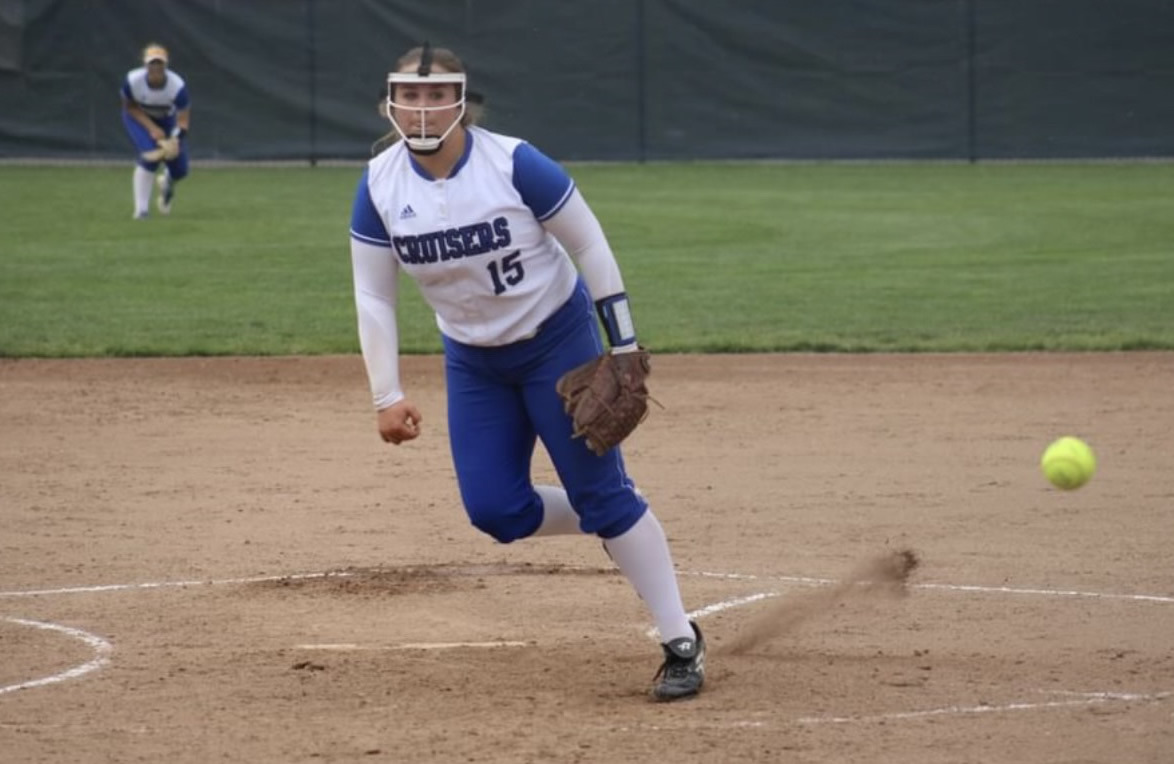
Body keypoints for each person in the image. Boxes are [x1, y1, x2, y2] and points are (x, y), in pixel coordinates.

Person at [348, 43, 706, 701]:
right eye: (410, 94)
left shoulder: (513, 164)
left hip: (555, 342)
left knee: (603, 494)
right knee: (496, 510)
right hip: (474, 361)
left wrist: (623, 345)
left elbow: (588, 242)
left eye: (436, 95)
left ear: (461, 102)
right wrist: (385, 394)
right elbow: (373, 293)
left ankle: (680, 639)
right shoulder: (379, 184)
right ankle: (611, 512)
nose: (423, 108)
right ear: (389, 102)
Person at [120, 43, 190, 219]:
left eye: (160, 63)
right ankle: (141, 211)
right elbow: (130, 107)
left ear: (166, 65)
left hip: (167, 120)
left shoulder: (177, 86)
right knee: (150, 155)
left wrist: (174, 140)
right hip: (138, 117)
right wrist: (152, 128)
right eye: (152, 63)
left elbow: (183, 122)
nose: (156, 67)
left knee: (181, 170)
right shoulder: (133, 80)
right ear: (145, 64)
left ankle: (167, 182)